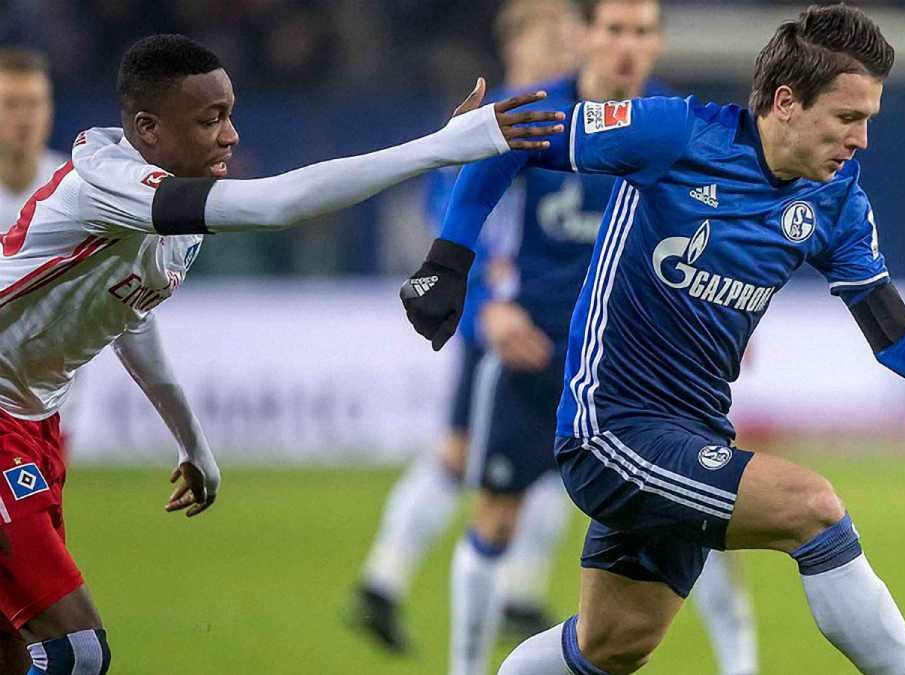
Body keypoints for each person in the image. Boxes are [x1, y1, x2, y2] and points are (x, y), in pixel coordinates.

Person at [400, 5, 905, 675]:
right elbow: (508, 137)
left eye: (868, 120)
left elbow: (895, 336)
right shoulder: (675, 134)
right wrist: (449, 258)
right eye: (847, 118)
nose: (861, 140)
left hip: (693, 431)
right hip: (611, 430)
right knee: (810, 508)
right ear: (786, 102)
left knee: (612, 644)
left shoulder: (836, 201)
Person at [0, 33, 562, 675]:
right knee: (76, 652)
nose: (231, 136)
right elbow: (279, 203)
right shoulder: (108, 184)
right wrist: (441, 147)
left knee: (15, 650)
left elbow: (127, 316)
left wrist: (192, 440)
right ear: (148, 128)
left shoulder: (169, 209)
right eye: (210, 120)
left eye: (230, 114)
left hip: (33, 421)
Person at [432, 1, 759, 673]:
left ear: (659, 41)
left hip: (645, 370)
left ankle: (741, 666)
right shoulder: (539, 113)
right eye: (614, 29)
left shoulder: (679, 123)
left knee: (700, 517)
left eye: (642, 31)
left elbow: (721, 228)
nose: (627, 45)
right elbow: (474, 201)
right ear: (583, 36)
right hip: (538, 352)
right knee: (495, 517)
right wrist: (489, 306)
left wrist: (728, 314)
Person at [353, 0, 583, 653]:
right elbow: (448, 213)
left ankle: (510, 593)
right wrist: (483, 301)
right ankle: (390, 582)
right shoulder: (501, 120)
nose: (568, 49)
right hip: (501, 323)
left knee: (531, 458)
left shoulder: (571, 119)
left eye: (570, 37)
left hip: (538, 318)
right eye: (555, 37)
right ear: (519, 46)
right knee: (470, 457)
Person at [0, 49, 66, 226]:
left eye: (34, 104)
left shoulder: (74, 188)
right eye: (11, 104)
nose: (24, 118)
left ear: (50, 110)